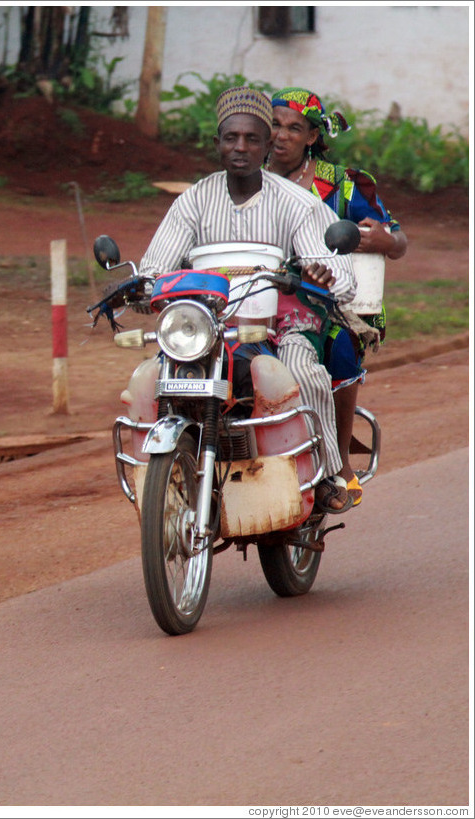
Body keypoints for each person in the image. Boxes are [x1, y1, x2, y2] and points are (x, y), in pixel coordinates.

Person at [139, 86, 358, 513]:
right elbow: (155, 267)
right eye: (230, 138)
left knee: (299, 368)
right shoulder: (194, 201)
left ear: (265, 146)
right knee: (154, 373)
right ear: (217, 143)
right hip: (208, 327)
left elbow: (342, 277)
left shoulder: (297, 203)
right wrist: (139, 285)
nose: (240, 147)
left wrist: (321, 272)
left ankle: (327, 472)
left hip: (281, 323)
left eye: (252, 139)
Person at [266, 86, 408, 505]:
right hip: (252, 297)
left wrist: (384, 239)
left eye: (294, 128)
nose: (281, 135)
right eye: (274, 124)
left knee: (340, 347)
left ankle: (340, 459)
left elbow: (398, 240)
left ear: (312, 136)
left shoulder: (343, 185)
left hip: (324, 301)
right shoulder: (246, 177)